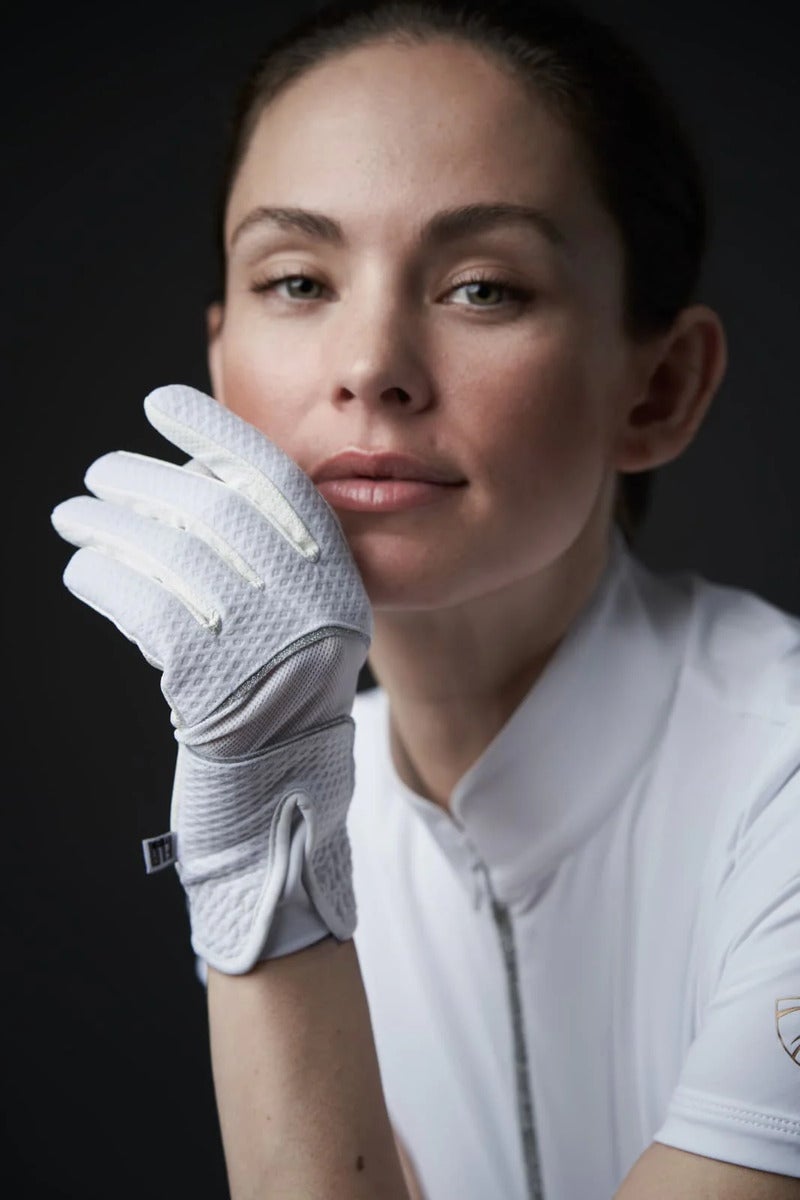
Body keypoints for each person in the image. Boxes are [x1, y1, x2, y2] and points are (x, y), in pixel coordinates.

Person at [51, 1, 799, 1197]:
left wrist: (266, 857)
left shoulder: (780, 776)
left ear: (658, 387)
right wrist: (263, 856)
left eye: (481, 288)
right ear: (222, 375)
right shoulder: (272, 770)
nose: (368, 367)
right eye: (298, 281)